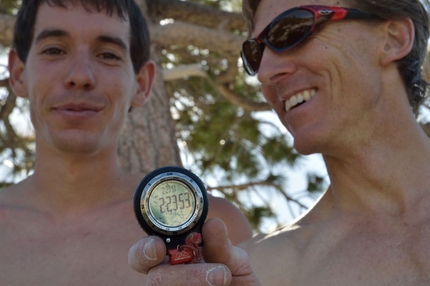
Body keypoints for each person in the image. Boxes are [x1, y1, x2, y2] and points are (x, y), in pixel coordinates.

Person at [128, 0, 430, 285]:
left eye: (293, 30)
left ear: (393, 39)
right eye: (255, 54)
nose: (265, 74)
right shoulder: (256, 272)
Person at [1, 0, 253, 285]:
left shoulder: (214, 231)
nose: (80, 76)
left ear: (142, 84)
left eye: (108, 54)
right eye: (54, 50)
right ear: (18, 74)